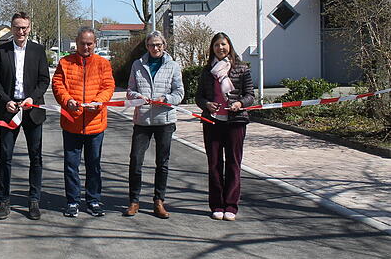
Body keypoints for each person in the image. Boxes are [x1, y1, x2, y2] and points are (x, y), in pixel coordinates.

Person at [0, 11, 50, 220]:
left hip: (32, 111)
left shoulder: (38, 51)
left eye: (24, 27)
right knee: (5, 157)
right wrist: (6, 100)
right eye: (17, 27)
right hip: (8, 110)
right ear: (11, 28)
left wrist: (33, 98)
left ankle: (34, 201)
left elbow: (44, 80)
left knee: (36, 157)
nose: (21, 31)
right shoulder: (1, 51)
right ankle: (3, 201)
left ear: (29, 28)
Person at [52, 27, 115, 218]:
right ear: (76, 43)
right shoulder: (65, 62)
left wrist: (99, 101)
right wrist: (67, 101)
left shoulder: (103, 63)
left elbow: (108, 85)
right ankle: (72, 201)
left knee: (93, 165)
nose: (86, 47)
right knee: (71, 165)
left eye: (89, 43)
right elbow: (57, 85)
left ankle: (93, 200)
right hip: (72, 123)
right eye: (82, 43)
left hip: (95, 123)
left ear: (95, 43)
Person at [195, 32, 255, 221]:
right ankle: (217, 205)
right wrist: (206, 104)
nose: (220, 48)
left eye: (223, 44)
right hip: (212, 122)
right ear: (212, 49)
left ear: (229, 46)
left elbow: (250, 95)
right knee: (214, 165)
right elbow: (199, 96)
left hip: (235, 122)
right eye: (216, 45)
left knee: (233, 163)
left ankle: (231, 205)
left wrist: (240, 104)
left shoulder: (241, 69)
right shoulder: (207, 71)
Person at [124, 31, 184, 219]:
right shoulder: (137, 65)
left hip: (164, 120)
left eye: (158, 45)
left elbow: (179, 93)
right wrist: (138, 97)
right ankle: (134, 201)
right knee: (136, 160)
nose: (155, 48)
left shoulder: (173, 66)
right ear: (146, 46)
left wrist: (164, 99)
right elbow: (129, 91)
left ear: (164, 46)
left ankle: (159, 201)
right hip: (142, 120)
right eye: (151, 45)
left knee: (162, 163)